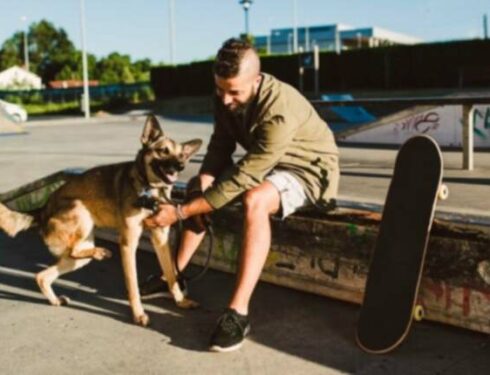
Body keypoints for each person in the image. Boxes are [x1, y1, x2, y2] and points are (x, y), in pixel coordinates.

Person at [143, 38, 339, 352]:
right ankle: (173, 278)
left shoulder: (278, 110)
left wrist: (180, 212)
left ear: (257, 80)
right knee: (198, 184)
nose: (225, 99)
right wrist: (204, 182)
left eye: (234, 92)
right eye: (220, 89)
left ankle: (238, 313)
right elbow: (221, 145)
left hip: (309, 172)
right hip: (267, 166)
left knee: (255, 199)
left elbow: (247, 175)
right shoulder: (225, 95)